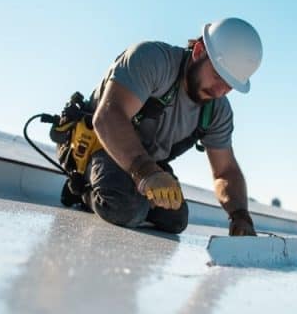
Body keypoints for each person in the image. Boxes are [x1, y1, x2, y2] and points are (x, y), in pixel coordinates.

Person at [86, 17, 262, 236]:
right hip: (99, 146)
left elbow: (225, 171)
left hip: (146, 165)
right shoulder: (152, 60)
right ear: (198, 51)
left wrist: (240, 215)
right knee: (127, 208)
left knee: (175, 220)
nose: (219, 91)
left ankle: (133, 198)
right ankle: (83, 190)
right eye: (217, 76)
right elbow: (108, 117)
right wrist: (146, 171)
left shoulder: (217, 110)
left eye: (229, 87)